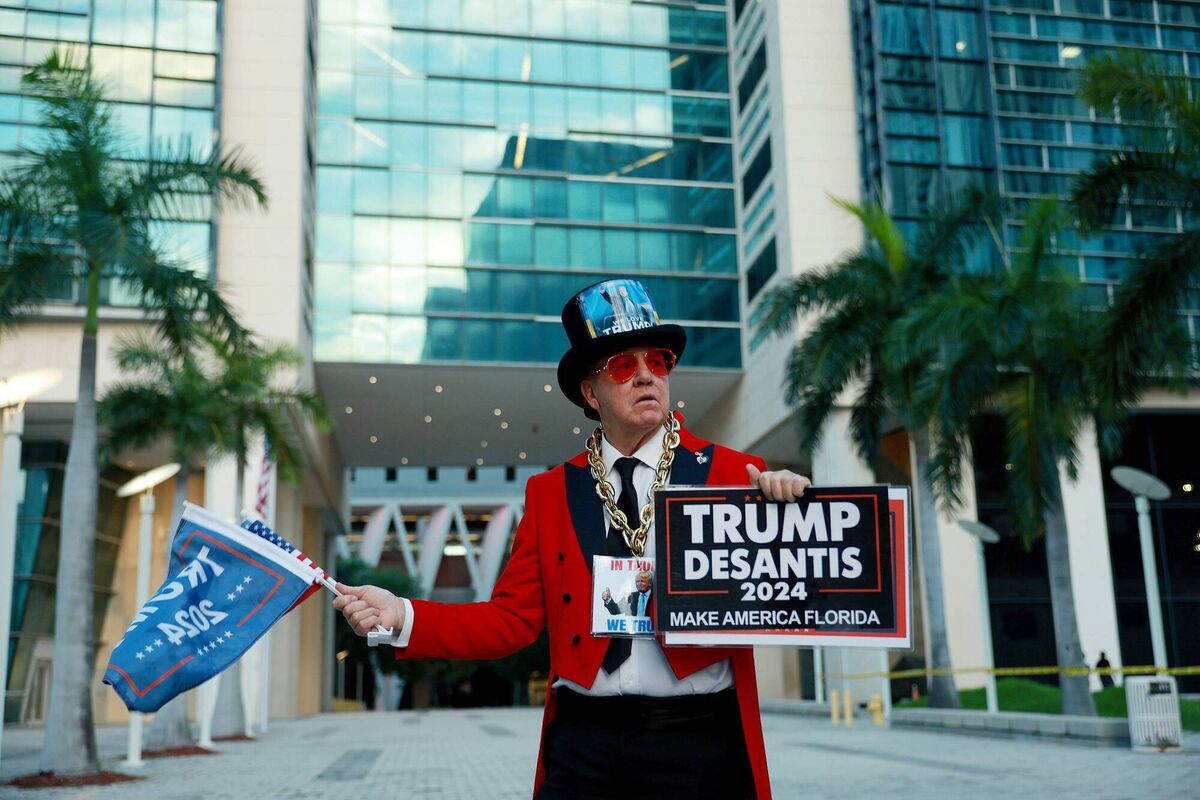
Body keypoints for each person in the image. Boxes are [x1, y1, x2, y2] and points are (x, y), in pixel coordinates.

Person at [334, 278, 811, 799]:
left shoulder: (732, 474)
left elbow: (782, 599)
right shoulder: (550, 492)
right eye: (625, 367)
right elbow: (511, 620)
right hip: (584, 744)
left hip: (696, 740)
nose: (647, 376)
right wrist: (403, 615)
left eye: (659, 361)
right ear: (590, 391)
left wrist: (787, 518)